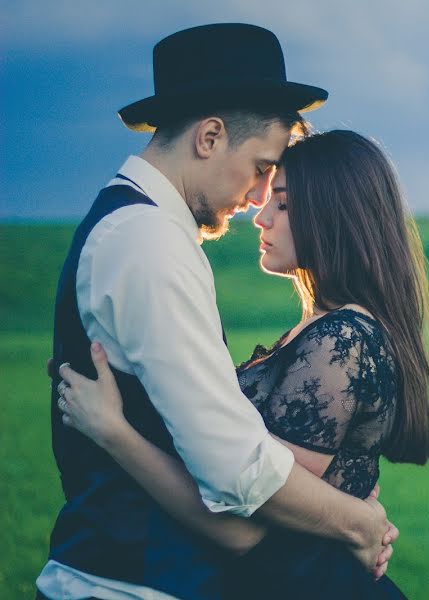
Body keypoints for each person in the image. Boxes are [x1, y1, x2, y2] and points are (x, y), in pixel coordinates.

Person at [38, 24, 398, 600]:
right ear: (209, 137)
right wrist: (359, 520)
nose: (258, 198)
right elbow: (234, 467)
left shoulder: (146, 231)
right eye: (261, 169)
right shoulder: (148, 241)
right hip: (130, 583)